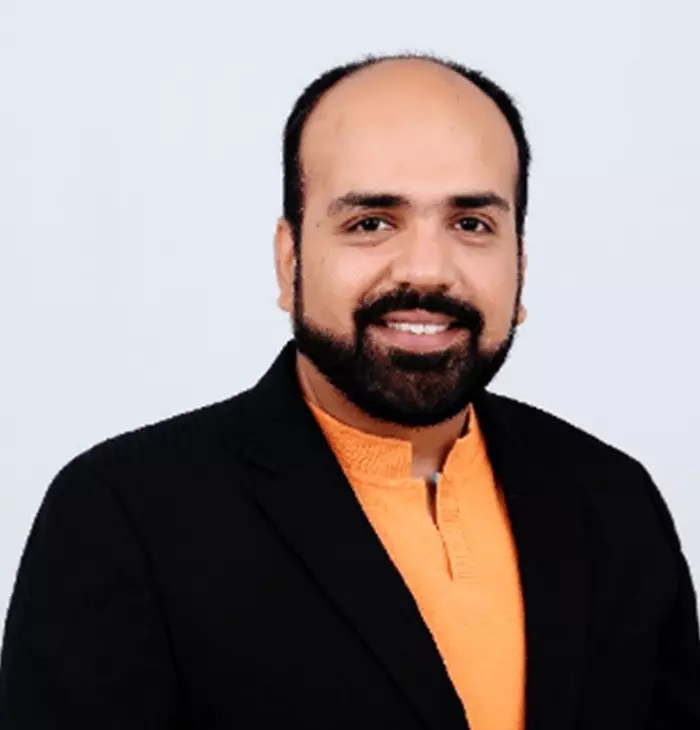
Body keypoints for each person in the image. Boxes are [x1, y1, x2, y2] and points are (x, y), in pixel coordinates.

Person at [0, 53, 698, 730]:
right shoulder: (125, 515)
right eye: (371, 223)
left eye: (471, 224)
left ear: (519, 262)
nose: (427, 269)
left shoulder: (612, 500)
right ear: (290, 261)